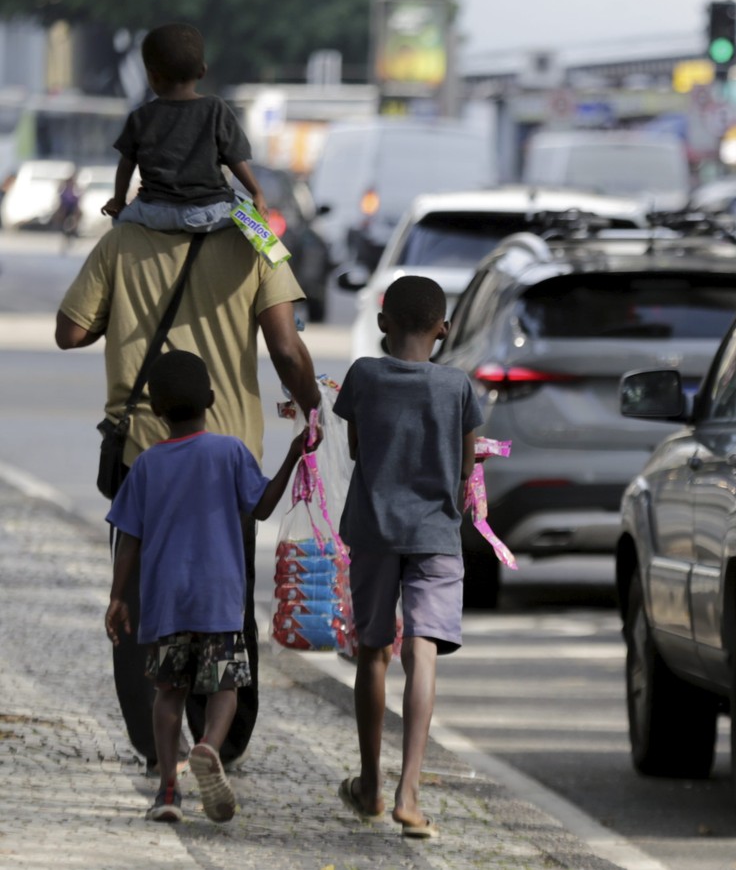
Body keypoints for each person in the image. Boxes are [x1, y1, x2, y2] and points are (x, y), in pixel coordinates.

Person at [56, 209, 320, 775]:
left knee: (143, 616)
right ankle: (219, 744)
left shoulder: (122, 240)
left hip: (143, 448)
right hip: (230, 454)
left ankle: (158, 753)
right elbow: (285, 345)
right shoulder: (255, 238)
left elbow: (69, 331)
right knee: (228, 603)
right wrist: (313, 415)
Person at [105, 351, 307, 823]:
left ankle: (168, 792)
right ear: (213, 400)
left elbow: (128, 539)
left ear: (155, 410)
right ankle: (210, 748)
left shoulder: (148, 465)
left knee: (168, 693)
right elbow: (261, 508)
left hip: (166, 603)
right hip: (219, 601)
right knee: (225, 688)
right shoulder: (231, 452)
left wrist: (117, 596)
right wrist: (292, 457)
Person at [332, 275, 483, 838]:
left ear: (382, 323)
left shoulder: (364, 375)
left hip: (373, 531)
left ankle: (369, 784)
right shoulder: (458, 387)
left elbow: (355, 446)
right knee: (423, 653)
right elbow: (466, 468)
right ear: (443, 329)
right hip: (435, 537)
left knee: (374, 652)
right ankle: (409, 792)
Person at [100, 23, 266, 233]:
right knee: (254, 222)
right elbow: (235, 159)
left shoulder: (140, 116)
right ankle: (274, 261)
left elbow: (126, 165)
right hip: (208, 212)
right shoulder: (215, 109)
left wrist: (118, 200)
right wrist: (257, 193)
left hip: (153, 213)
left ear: (152, 76)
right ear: (203, 71)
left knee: (120, 223)